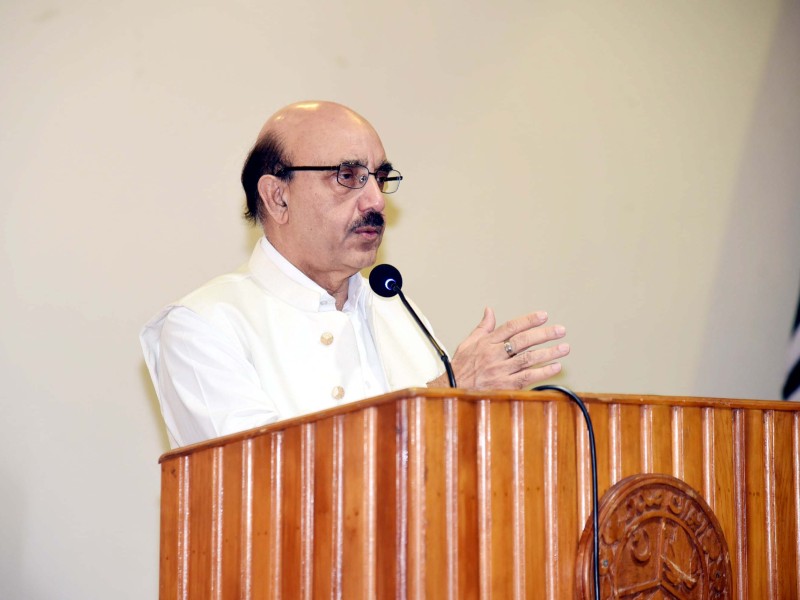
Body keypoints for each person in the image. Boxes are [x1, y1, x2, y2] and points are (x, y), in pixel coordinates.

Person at [141, 101, 570, 448]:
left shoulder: (397, 311)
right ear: (277, 197)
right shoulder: (203, 325)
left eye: (379, 178)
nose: (376, 201)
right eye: (347, 176)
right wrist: (448, 390)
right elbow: (265, 483)